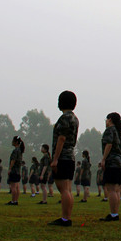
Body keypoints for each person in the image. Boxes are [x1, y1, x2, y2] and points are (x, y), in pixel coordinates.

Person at [48, 90, 79, 227]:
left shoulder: (64, 118)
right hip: (70, 156)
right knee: (67, 189)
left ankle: (65, 218)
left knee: (64, 189)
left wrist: (55, 159)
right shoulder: (74, 118)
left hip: (63, 157)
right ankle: (67, 217)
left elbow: (61, 139)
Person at [100, 112, 121, 221]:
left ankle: (113, 214)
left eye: (106, 119)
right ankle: (115, 213)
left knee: (111, 189)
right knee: (116, 189)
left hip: (112, 162)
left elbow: (109, 144)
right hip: (120, 163)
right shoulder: (120, 134)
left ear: (110, 119)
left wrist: (104, 159)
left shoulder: (110, 130)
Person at [6, 136, 24, 206]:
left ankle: (13, 201)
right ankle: (16, 200)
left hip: (14, 171)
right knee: (17, 187)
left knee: (13, 187)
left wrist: (10, 168)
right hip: (18, 171)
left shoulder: (15, 150)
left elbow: (13, 160)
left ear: (16, 142)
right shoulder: (20, 150)